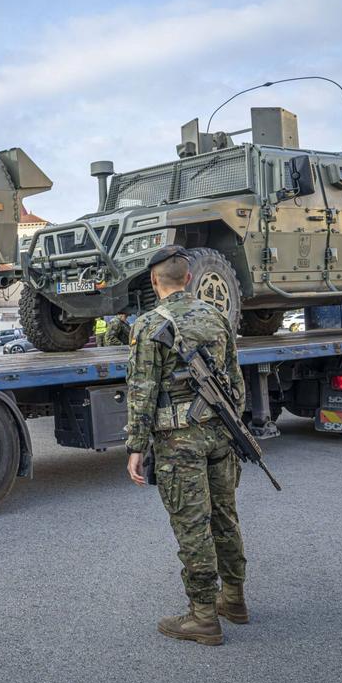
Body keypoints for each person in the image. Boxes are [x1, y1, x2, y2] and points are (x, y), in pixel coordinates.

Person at [123, 245, 248, 646]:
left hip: (179, 443)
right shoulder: (216, 317)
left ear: (155, 281)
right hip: (220, 434)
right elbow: (235, 383)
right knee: (225, 517)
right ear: (190, 278)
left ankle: (203, 617)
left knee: (193, 527)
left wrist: (136, 447)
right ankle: (235, 598)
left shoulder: (147, 326)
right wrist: (233, 427)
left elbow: (141, 391)